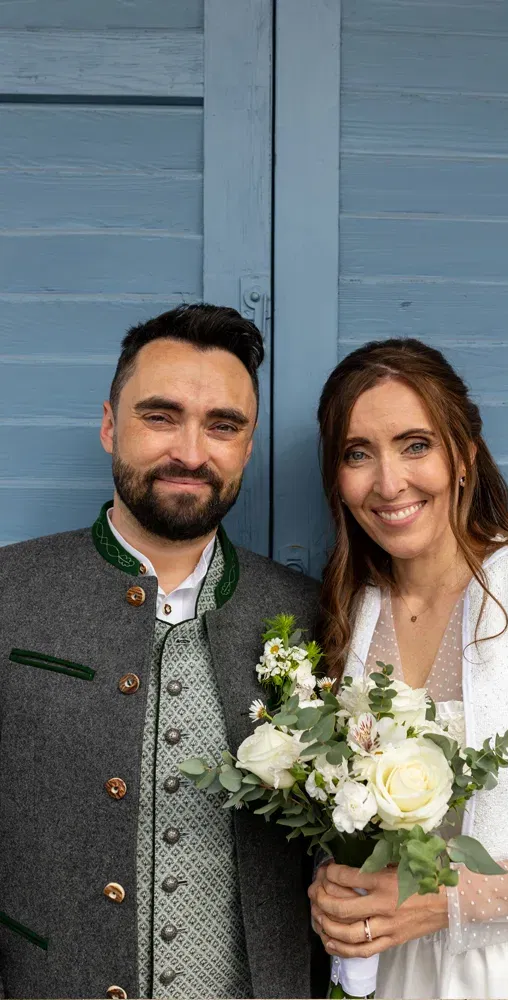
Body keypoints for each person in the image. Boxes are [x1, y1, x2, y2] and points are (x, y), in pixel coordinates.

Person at [0, 304, 327, 1000]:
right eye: (160, 416)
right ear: (110, 425)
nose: (191, 450)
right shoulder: (7, 590)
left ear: (248, 443)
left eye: (223, 426)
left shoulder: (312, 614)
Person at [308, 338, 508, 999]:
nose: (388, 483)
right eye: (358, 454)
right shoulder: (347, 616)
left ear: (463, 455)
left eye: (415, 445)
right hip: (390, 977)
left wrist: (451, 900)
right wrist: (334, 881)